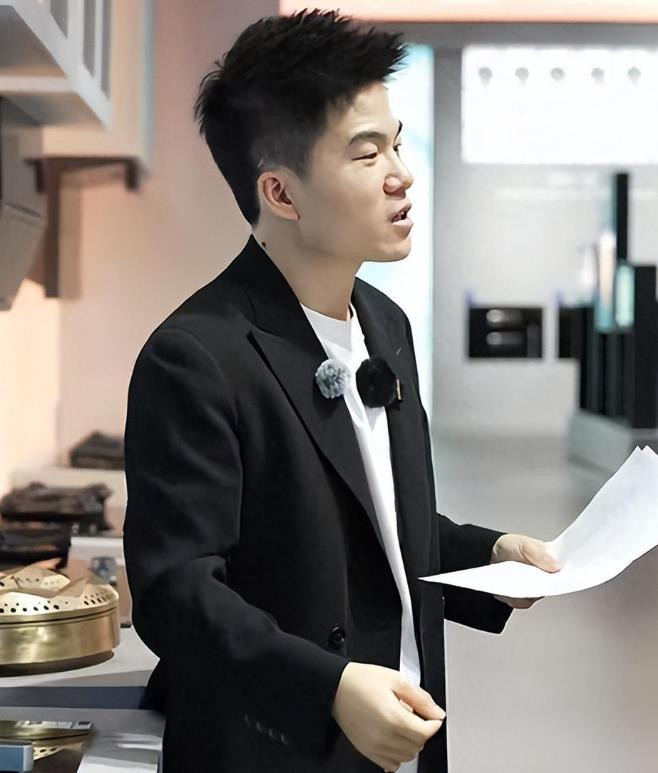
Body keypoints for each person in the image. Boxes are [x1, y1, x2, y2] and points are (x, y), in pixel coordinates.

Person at [123, 8, 560, 773]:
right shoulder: (195, 356)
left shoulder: (386, 323)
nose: (402, 173)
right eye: (366, 153)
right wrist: (327, 688)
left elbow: (372, 516)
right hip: (277, 748)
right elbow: (177, 592)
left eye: (397, 142)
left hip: (404, 736)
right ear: (281, 193)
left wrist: (488, 555)